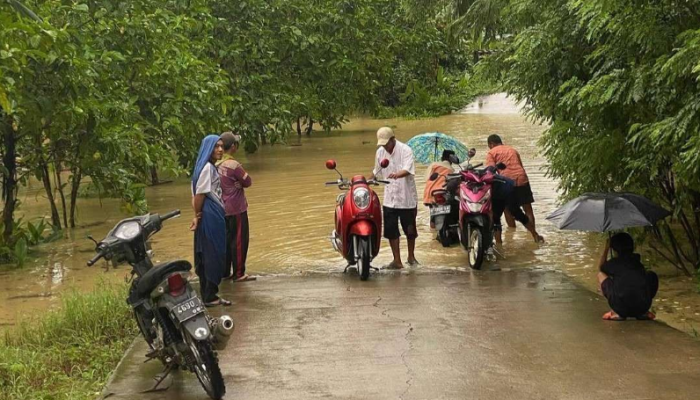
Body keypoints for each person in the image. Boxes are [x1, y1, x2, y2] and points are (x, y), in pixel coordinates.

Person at [369, 127, 418, 269]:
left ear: (393, 139)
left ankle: (411, 256)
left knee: (410, 230)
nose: (385, 146)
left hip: (406, 197)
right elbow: (376, 171)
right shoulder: (380, 152)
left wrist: (397, 174)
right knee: (391, 231)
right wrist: (367, 180)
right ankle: (397, 260)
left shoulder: (405, 150)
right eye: (382, 144)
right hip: (390, 198)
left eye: (387, 143)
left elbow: (408, 169)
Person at [190, 134, 230, 307]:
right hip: (210, 215)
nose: (220, 150)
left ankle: (208, 294)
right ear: (208, 149)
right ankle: (210, 296)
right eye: (216, 146)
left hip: (208, 213)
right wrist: (198, 215)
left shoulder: (201, 168)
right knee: (214, 253)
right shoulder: (207, 168)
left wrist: (196, 215)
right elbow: (199, 195)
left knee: (206, 253)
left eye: (221, 146)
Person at [485, 134, 543, 242]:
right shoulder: (513, 150)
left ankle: (511, 235)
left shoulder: (491, 152)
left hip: (506, 182)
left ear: (491, 144)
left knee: (507, 209)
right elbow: (521, 166)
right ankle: (533, 234)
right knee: (527, 209)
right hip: (522, 179)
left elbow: (490, 171)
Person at [217, 132, 255, 283]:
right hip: (236, 208)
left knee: (226, 240)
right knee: (239, 240)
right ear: (233, 146)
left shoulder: (214, 163)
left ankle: (225, 272)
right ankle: (239, 273)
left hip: (221, 207)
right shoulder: (234, 165)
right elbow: (248, 181)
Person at [597, 233, 658, 321]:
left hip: (621, 308)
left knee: (600, 275)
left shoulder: (615, 262)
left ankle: (615, 312)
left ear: (615, 249)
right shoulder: (637, 261)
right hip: (643, 307)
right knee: (651, 275)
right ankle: (642, 312)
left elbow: (601, 268)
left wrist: (606, 248)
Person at [488, 166, 542, 245]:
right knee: (497, 217)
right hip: (513, 184)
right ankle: (499, 244)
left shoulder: (491, 155)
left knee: (515, 214)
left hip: (507, 189)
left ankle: (534, 234)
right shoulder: (513, 152)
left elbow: (491, 168)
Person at [424, 150, 456, 229]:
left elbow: (426, 178)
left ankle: (433, 230)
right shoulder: (451, 169)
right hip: (443, 193)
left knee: (433, 215)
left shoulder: (433, 165)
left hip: (430, 193)